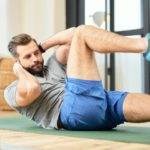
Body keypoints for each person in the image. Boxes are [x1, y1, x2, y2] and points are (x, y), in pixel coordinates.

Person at [4, 25, 150, 130]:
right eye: (28, 56)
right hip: (72, 112)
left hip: (100, 102)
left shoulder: (52, 66)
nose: (35, 58)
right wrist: (18, 70)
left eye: (36, 53)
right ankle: (145, 45)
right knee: (82, 32)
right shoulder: (13, 90)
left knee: (71, 42)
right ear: (17, 61)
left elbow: (72, 34)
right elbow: (33, 88)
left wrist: (43, 46)